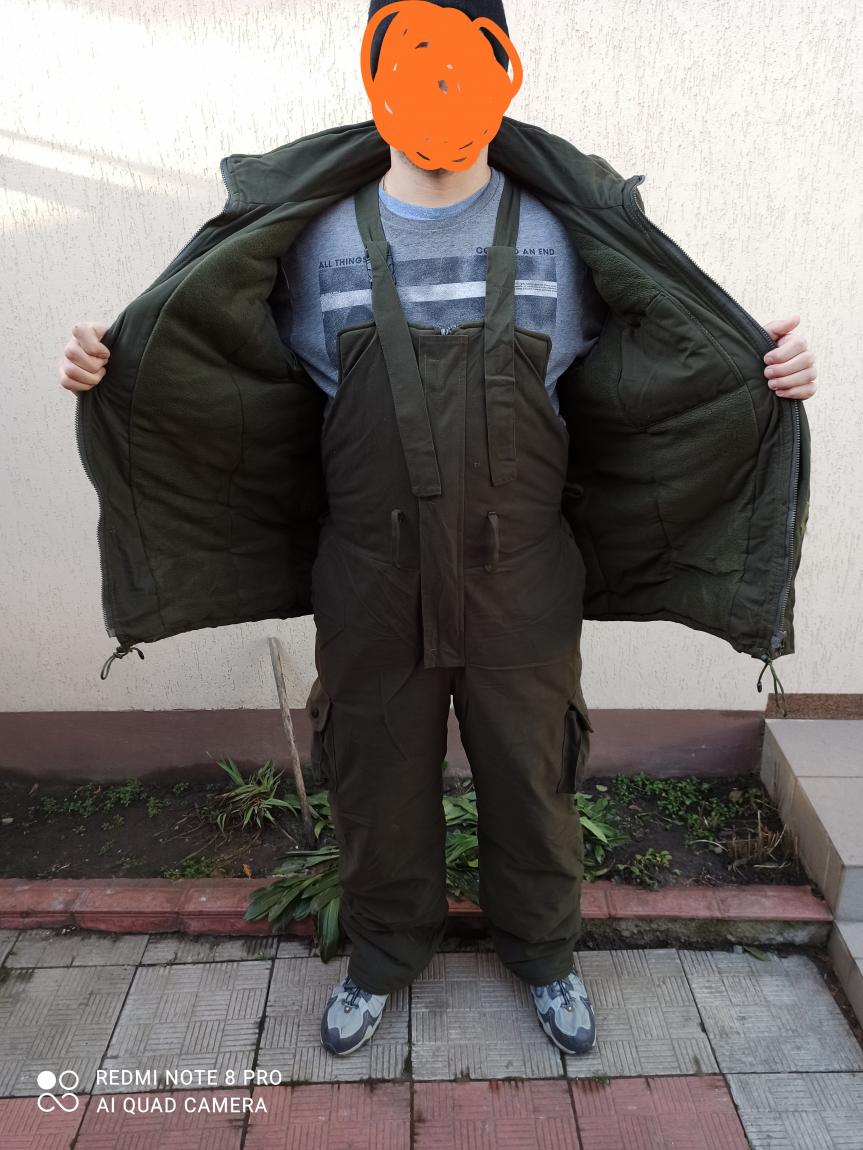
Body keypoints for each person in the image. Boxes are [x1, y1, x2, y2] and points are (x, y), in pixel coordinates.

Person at [59, 0, 817, 1061]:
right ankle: (381, 959)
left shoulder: (565, 229)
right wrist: (118, 366)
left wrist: (759, 370)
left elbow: (651, 382)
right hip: (367, 579)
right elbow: (226, 385)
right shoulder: (308, 238)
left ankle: (544, 955)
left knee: (534, 781)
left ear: (504, 72)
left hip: (524, 582)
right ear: (373, 75)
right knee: (373, 782)